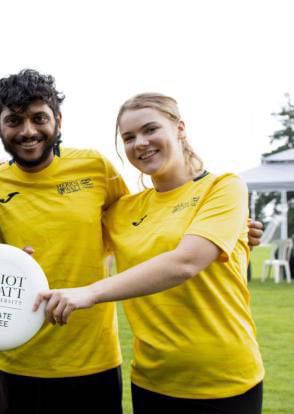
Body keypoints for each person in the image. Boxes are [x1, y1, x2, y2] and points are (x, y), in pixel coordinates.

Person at [35, 93, 264, 413]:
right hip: (151, 382)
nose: (140, 143)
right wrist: (5, 175)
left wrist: (91, 293)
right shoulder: (124, 209)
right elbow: (65, 228)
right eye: (129, 137)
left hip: (224, 379)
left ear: (180, 128)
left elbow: (186, 262)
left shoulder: (223, 187)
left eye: (150, 129)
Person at [0, 69, 128, 414]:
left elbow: (144, 222)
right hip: (18, 365)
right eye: (14, 120)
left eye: (39, 118)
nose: (28, 131)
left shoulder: (95, 168)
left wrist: (236, 227)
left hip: (95, 363)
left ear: (58, 119)